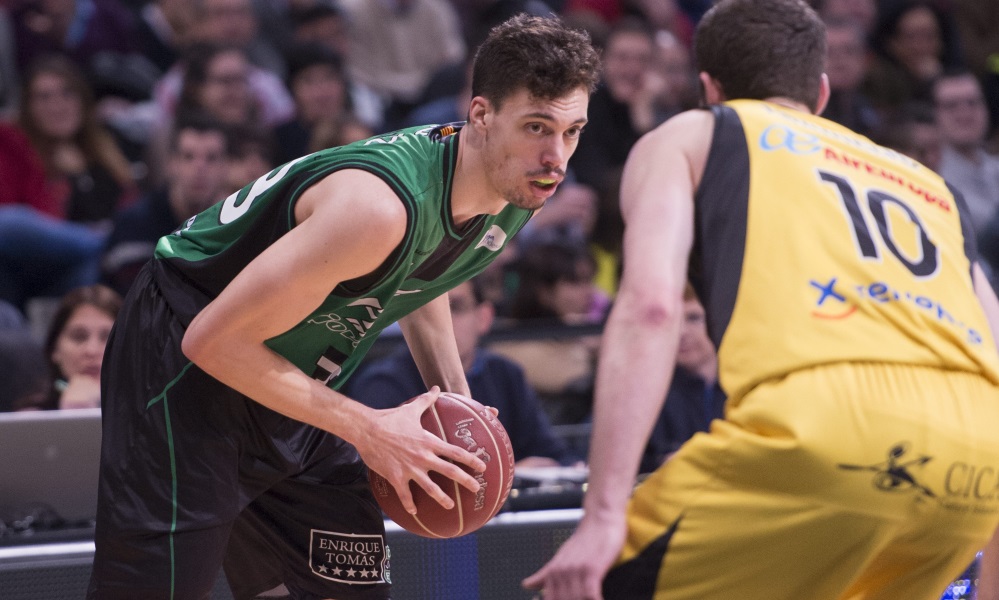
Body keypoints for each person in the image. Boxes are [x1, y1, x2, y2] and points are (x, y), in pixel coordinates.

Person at [87, 14, 600, 600]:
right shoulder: (376, 210)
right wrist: (370, 429)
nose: (556, 157)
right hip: (184, 361)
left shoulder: (510, 187)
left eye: (572, 131)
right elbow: (211, 342)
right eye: (537, 127)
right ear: (481, 115)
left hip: (288, 377)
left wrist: (460, 409)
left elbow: (423, 271)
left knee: (350, 585)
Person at [524, 1, 999, 599]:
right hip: (974, 464)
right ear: (821, 92)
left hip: (822, 432)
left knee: (578, 587)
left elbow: (651, 308)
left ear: (708, 90)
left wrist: (601, 516)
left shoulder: (697, 133)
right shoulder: (931, 186)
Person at [351, 277, 578, 467]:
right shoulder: (382, 383)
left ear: (484, 317)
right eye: (427, 311)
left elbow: (553, 456)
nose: (444, 321)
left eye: (456, 307)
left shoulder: (506, 374)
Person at [101, 114, 230, 297]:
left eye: (211, 158)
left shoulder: (235, 224)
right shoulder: (135, 223)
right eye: (188, 157)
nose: (200, 168)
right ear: (172, 164)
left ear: (226, 167)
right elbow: (136, 299)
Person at [33, 284, 122, 411]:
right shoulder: (28, 418)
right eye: (79, 337)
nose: (91, 350)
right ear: (55, 350)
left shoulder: (150, 413)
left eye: (108, 338)